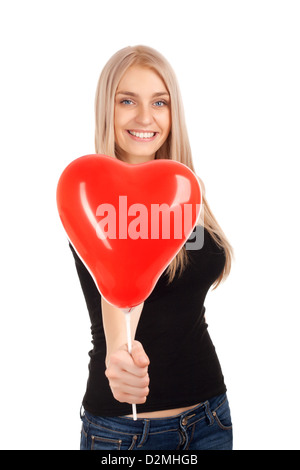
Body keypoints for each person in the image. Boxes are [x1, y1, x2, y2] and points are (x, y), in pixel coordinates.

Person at [69, 45, 234, 450]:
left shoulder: (186, 191)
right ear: (106, 110)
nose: (145, 117)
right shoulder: (93, 198)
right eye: (127, 100)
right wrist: (119, 357)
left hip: (210, 416)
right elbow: (121, 290)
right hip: (128, 433)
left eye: (159, 102)